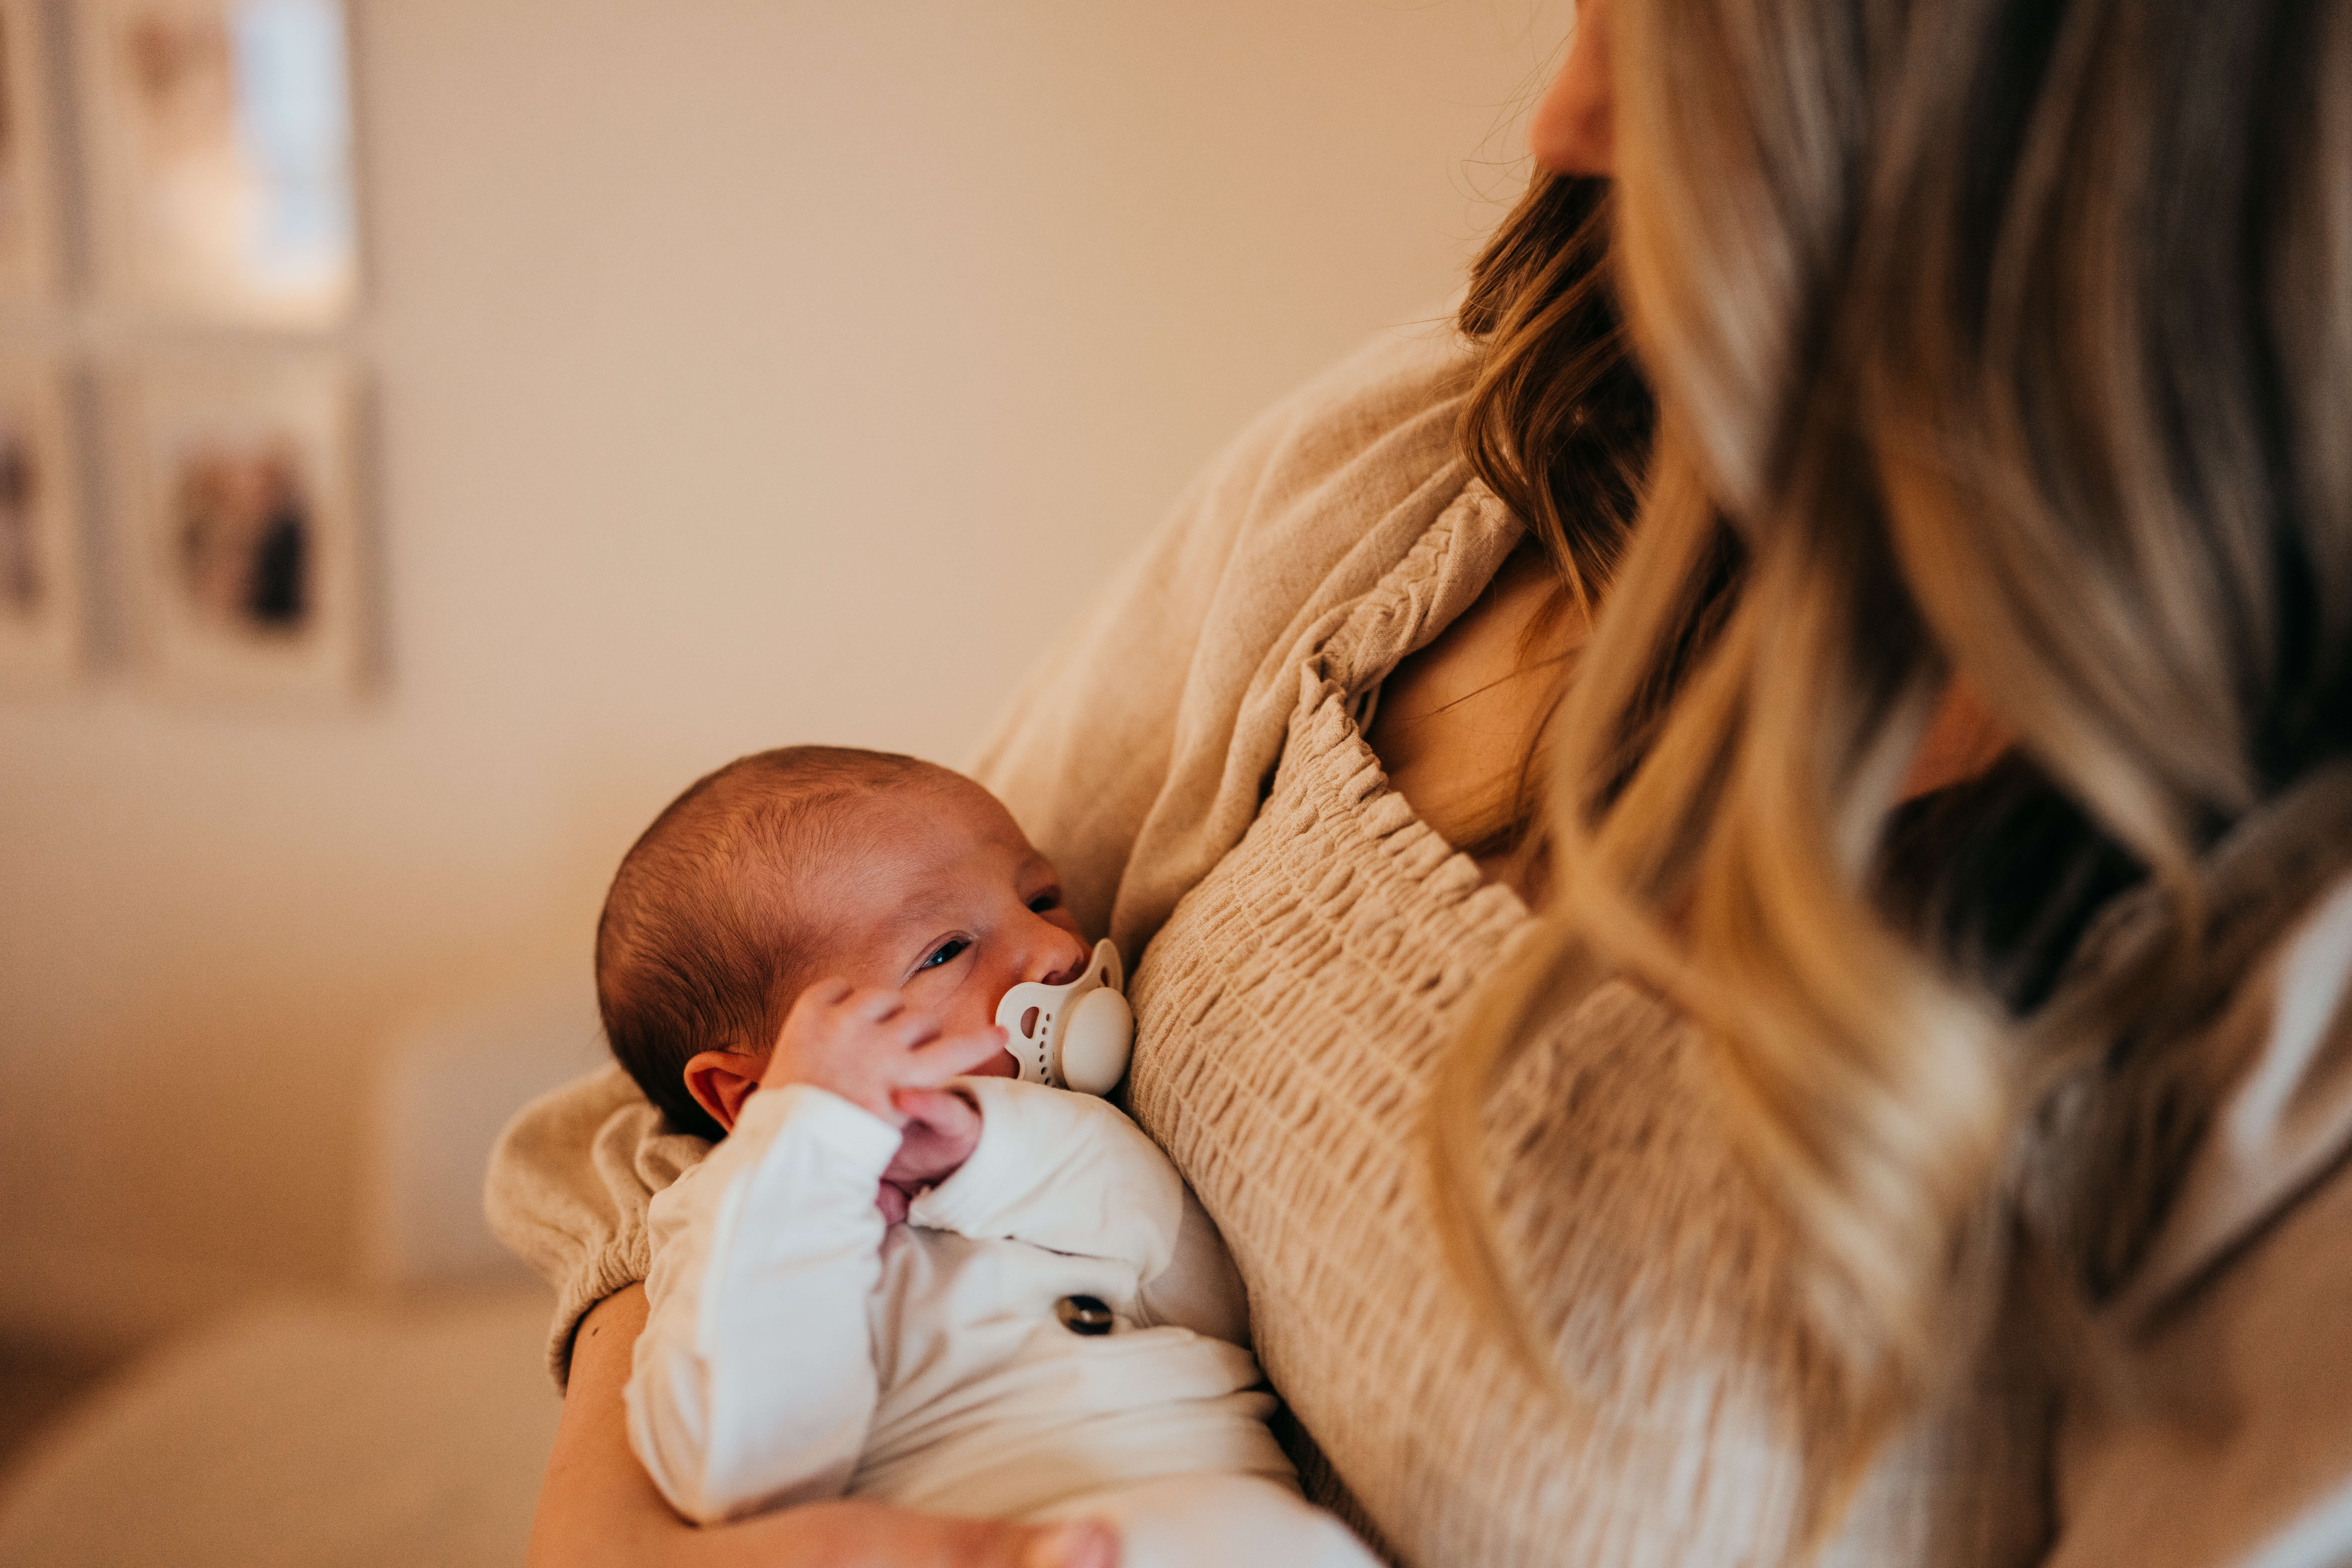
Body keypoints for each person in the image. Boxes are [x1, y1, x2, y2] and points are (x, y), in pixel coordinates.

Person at [495, 2, 2352, 1564]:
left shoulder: (2286, 957)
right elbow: (670, 1099)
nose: (1568, 115)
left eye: (1713, 42)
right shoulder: (1441, 461)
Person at [594, 745, 1376, 1566]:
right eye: (944, 951)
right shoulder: (724, 1222)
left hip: (1228, 1522)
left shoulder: (1067, 1136)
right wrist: (813, 1154)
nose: (1053, 949)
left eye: (1041, 897)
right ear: (751, 1097)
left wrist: (989, 1156)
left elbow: (1211, 1297)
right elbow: (750, 1476)